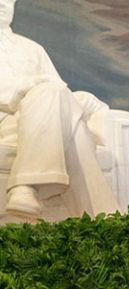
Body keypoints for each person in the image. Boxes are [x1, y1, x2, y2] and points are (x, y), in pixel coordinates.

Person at [0, 0, 119, 219]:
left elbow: (57, 92)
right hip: (5, 123)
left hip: (39, 119)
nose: (3, 4)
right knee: (74, 129)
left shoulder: (32, 48)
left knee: (60, 104)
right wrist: (22, 90)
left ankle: (25, 188)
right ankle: (104, 219)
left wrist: (80, 100)